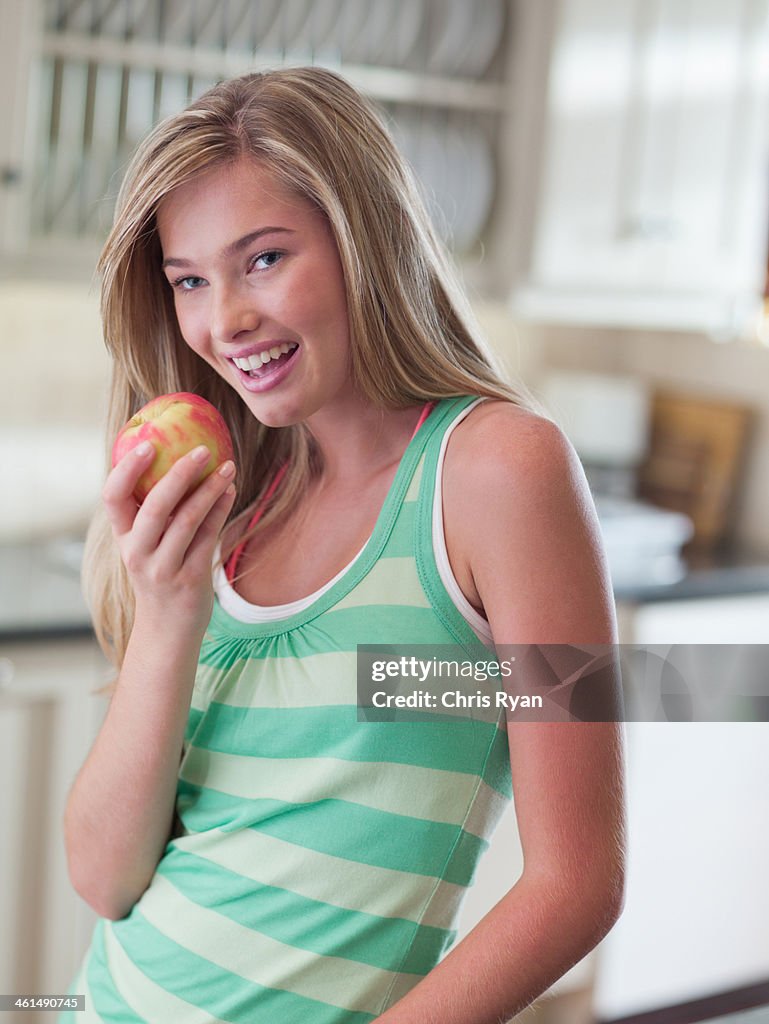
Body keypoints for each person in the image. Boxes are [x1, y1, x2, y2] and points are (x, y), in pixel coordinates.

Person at [60, 67, 626, 1024]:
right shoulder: (234, 498)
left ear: (364, 240)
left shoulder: (496, 474)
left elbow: (575, 884)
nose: (223, 319)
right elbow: (105, 881)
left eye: (265, 259)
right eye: (189, 280)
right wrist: (166, 621)